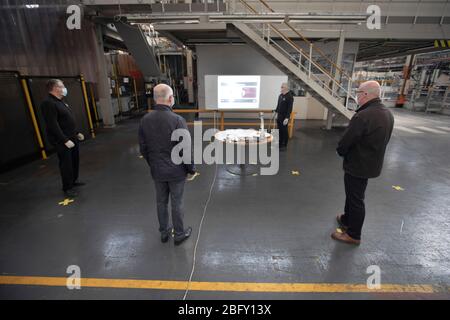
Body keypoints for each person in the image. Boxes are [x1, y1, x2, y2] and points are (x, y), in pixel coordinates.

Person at [332, 81, 394, 245]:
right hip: (371, 163)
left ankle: (353, 234)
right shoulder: (387, 113)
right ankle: (347, 219)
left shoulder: (363, 116)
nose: (356, 96)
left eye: (358, 93)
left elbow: (346, 141)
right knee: (353, 195)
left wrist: (340, 151)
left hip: (357, 164)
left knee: (356, 199)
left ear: (365, 94)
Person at [138, 84, 195, 245]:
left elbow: (143, 148)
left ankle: (164, 232)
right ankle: (179, 234)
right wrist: (191, 169)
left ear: (155, 99)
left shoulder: (145, 120)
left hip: (157, 170)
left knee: (161, 202)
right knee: (177, 202)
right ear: (171, 99)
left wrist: (153, 164)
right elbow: (185, 148)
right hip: (176, 172)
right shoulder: (177, 120)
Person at [41, 79, 86, 198]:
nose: (64, 88)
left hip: (72, 137)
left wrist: (76, 133)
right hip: (63, 140)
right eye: (62, 86)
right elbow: (52, 124)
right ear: (55, 88)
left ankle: (73, 180)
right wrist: (64, 140)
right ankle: (67, 187)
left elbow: (66, 120)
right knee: (66, 163)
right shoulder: (48, 103)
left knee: (74, 160)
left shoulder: (60, 101)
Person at [274, 82, 293, 149]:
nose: (281, 88)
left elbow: (289, 108)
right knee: (279, 130)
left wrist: (287, 118)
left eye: (282, 87)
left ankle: (284, 144)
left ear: (286, 88)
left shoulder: (289, 96)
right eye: (281, 87)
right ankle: (280, 142)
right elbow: (278, 105)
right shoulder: (280, 95)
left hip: (284, 117)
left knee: (284, 130)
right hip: (279, 116)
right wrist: (276, 112)